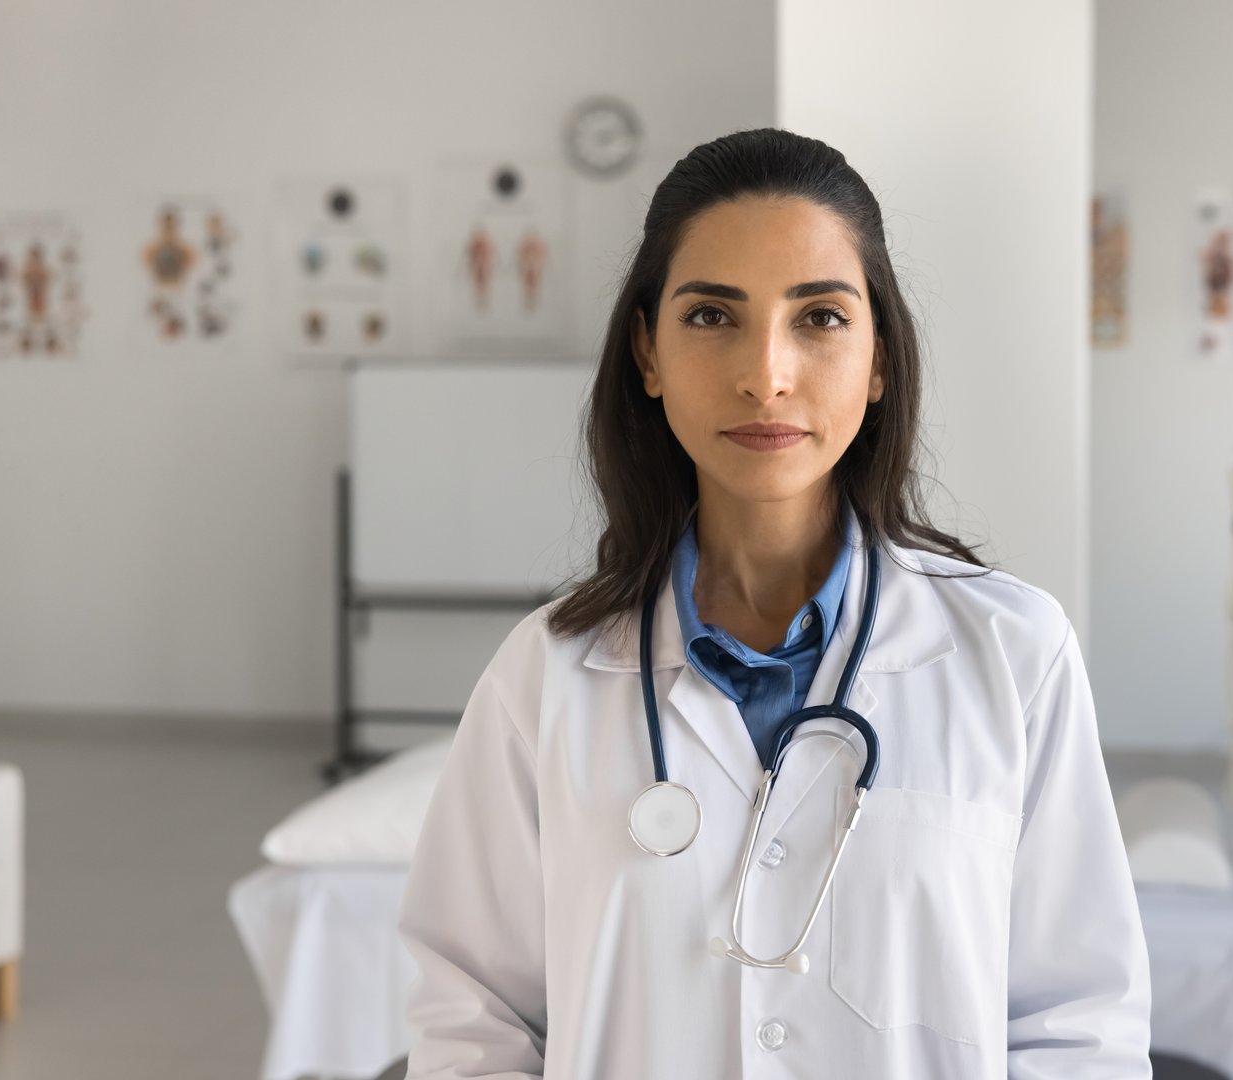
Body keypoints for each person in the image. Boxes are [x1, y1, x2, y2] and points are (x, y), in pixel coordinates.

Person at [397, 127, 1151, 1079]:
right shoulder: (543, 674)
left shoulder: (1015, 651)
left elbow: (1078, 1022)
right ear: (647, 352)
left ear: (879, 357)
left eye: (820, 317)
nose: (766, 372)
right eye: (712, 316)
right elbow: (471, 1014)